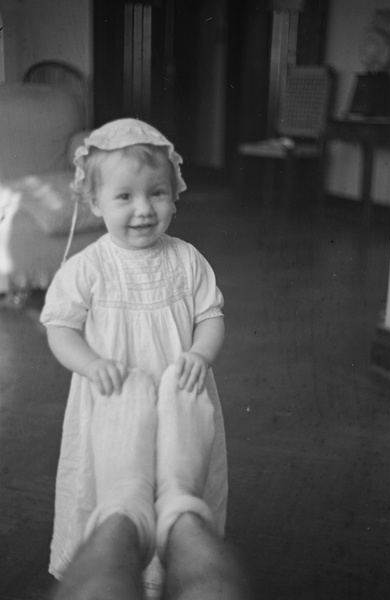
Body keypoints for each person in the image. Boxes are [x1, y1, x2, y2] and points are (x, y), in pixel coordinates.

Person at [40, 118, 228, 598]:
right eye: (125, 196)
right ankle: (132, 539)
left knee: (173, 472)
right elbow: (60, 327)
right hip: (114, 393)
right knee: (109, 478)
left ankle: (167, 547)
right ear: (94, 201)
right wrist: (89, 363)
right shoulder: (88, 266)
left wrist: (201, 353)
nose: (144, 209)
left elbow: (211, 316)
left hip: (177, 386)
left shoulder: (187, 259)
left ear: (175, 193)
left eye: (157, 193)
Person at [51, 366, 251, 600]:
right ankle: (178, 499)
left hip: (158, 367)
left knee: (103, 574)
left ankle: (127, 504)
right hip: (109, 369)